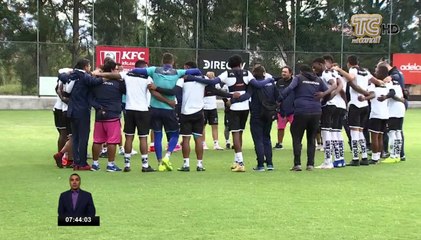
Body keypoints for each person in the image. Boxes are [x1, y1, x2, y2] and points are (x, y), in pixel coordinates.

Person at [129, 53, 202, 171]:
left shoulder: (153, 70)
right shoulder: (177, 72)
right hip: (168, 109)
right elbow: (197, 71)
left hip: (154, 108)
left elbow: (136, 70)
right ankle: (167, 156)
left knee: (157, 135)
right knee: (174, 134)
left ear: (162, 61)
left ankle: (159, 162)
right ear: (172, 62)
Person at [93, 60, 156, 172]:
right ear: (144, 67)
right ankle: (145, 165)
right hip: (142, 110)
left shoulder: (127, 74)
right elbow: (153, 90)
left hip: (129, 109)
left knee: (129, 137)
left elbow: (113, 75)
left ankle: (127, 165)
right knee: (143, 137)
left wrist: (99, 74)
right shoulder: (148, 78)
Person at [214, 55, 273, 172]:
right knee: (239, 132)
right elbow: (257, 85)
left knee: (235, 133)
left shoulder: (226, 73)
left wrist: (229, 96)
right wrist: (270, 80)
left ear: (229, 65)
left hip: (234, 108)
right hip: (246, 107)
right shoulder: (247, 73)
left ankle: (240, 162)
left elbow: (214, 85)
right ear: (241, 64)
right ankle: (237, 160)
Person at [58, 59, 110, 171]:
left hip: (71, 111)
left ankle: (76, 162)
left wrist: (70, 71)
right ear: (86, 67)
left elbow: (61, 74)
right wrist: (107, 76)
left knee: (75, 137)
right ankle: (82, 163)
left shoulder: (72, 76)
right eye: (89, 66)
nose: (90, 68)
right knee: (83, 138)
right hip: (82, 112)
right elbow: (96, 82)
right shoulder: (84, 76)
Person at [279, 64, 329, 171]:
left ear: (301, 71)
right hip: (316, 111)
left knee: (297, 137)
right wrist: (322, 100)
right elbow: (328, 92)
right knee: (311, 138)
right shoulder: (318, 79)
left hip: (301, 111)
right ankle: (310, 164)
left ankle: (297, 164)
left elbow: (290, 88)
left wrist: (279, 98)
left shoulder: (298, 78)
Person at [231, 66, 278, 171]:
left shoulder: (253, 84)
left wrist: (234, 100)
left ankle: (260, 164)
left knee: (258, 140)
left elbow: (247, 96)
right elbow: (278, 97)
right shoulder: (271, 84)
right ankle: (270, 164)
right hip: (269, 113)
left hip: (257, 114)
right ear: (264, 73)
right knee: (267, 138)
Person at [333, 56, 377, 166]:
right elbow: (376, 81)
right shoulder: (365, 71)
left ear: (349, 63)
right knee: (361, 131)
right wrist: (383, 81)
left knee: (354, 132)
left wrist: (339, 70)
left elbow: (350, 77)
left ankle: (355, 158)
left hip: (355, 104)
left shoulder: (353, 70)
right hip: (365, 105)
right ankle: (365, 157)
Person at [90, 60, 126, 172]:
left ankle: (95, 164)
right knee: (112, 141)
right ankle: (110, 164)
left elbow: (91, 98)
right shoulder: (118, 83)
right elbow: (126, 91)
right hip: (113, 115)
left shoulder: (96, 82)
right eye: (115, 69)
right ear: (111, 70)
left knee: (97, 140)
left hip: (100, 115)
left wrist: (98, 107)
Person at [362, 70, 395, 164]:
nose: (375, 73)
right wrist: (385, 97)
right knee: (380, 136)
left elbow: (370, 94)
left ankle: (374, 158)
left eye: (376, 72)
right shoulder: (388, 85)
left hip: (376, 114)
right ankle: (379, 156)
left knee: (375, 136)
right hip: (385, 114)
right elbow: (392, 93)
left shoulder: (373, 86)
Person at [377, 60, 407, 161]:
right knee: (398, 131)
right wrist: (402, 100)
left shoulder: (388, 80)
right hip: (400, 108)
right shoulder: (396, 79)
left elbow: (392, 93)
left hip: (393, 109)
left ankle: (393, 155)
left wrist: (385, 97)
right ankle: (398, 155)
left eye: (378, 70)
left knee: (391, 132)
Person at [313, 58, 338, 169]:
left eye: (315, 66)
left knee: (325, 132)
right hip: (332, 104)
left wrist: (324, 94)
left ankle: (328, 161)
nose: (314, 69)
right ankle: (331, 159)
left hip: (327, 106)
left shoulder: (326, 73)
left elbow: (334, 84)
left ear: (320, 64)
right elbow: (339, 84)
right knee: (329, 132)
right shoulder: (331, 72)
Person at [202, 71, 224, 150]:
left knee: (215, 126)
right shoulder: (203, 83)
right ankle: (203, 144)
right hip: (204, 107)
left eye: (212, 76)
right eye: (209, 76)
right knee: (202, 126)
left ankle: (216, 144)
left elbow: (220, 91)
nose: (210, 77)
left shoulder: (216, 83)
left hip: (213, 108)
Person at [274, 66, 294, 150]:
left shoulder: (294, 81)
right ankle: (279, 144)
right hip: (281, 110)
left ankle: (296, 143)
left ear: (290, 73)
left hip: (293, 110)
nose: (283, 73)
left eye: (285, 72)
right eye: (282, 71)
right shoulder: (279, 82)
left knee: (295, 128)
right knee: (280, 128)